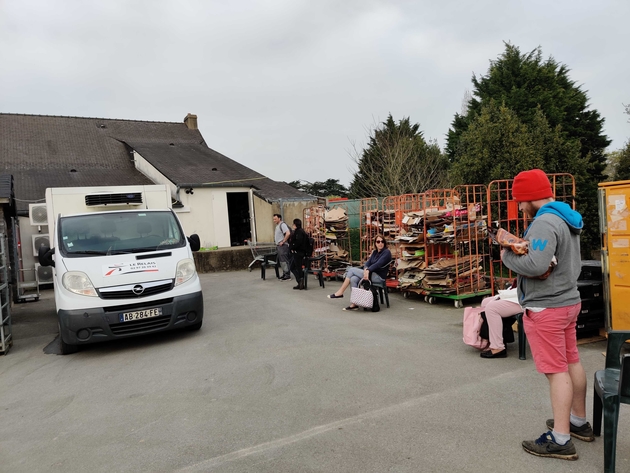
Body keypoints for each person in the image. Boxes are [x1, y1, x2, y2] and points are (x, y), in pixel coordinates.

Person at [501, 169, 591, 461]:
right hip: (568, 301)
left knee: (556, 371)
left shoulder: (543, 223)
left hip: (547, 307)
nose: (520, 206)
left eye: (519, 200)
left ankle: (561, 438)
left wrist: (506, 254)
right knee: (571, 360)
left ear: (527, 197)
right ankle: (578, 421)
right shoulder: (566, 216)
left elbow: (538, 266)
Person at [327, 234, 392, 311]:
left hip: (378, 277)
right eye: (378, 241)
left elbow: (378, 264)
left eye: (382, 241)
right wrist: (366, 270)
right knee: (353, 279)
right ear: (375, 243)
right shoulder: (375, 252)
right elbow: (367, 263)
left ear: (384, 243)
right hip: (370, 274)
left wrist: (368, 270)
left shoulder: (386, 252)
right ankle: (355, 303)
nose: (380, 243)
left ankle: (340, 292)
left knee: (351, 270)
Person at [479, 284, 522, 359]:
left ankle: (498, 347)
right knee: (485, 302)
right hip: (523, 293)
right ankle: (494, 339)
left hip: (530, 298)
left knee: (492, 308)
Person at [289, 218, 308, 290]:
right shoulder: (301, 231)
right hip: (300, 252)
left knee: (295, 267)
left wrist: (292, 247)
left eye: (293, 224)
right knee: (294, 267)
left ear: (295, 225)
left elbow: (298, 242)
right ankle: (299, 281)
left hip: (298, 253)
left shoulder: (299, 232)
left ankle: (300, 280)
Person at [273, 213, 291, 280]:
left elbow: (288, 233)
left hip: (283, 246)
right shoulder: (278, 226)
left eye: (275, 219)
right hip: (279, 246)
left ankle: (287, 274)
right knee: (282, 261)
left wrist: (283, 241)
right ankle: (285, 273)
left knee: (284, 260)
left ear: (279, 218)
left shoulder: (282, 225)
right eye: (273, 219)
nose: (274, 220)